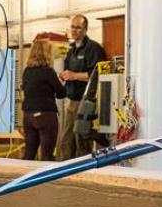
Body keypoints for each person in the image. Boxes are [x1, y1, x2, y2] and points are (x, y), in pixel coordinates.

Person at [55, 14, 107, 160]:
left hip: (86, 103)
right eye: (73, 27)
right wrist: (64, 75)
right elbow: (69, 72)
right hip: (71, 101)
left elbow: (96, 75)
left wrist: (74, 75)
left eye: (78, 27)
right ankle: (62, 172)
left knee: (82, 141)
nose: (74, 30)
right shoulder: (71, 50)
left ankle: (82, 172)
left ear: (85, 30)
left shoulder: (94, 49)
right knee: (66, 140)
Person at [21, 37, 65, 161]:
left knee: (29, 154)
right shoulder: (48, 72)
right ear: (47, 54)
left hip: (28, 116)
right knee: (47, 155)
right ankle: (46, 180)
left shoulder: (27, 71)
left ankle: (23, 179)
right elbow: (61, 93)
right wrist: (61, 82)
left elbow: (26, 88)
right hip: (45, 116)